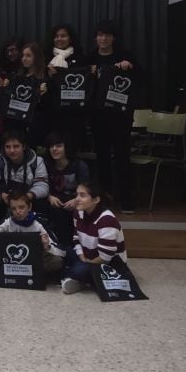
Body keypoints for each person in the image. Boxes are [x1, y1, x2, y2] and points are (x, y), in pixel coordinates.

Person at [85, 20, 139, 213]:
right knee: (102, 159)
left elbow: (140, 78)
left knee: (123, 157)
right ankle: (105, 197)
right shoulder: (90, 58)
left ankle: (126, 199)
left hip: (121, 118)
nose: (103, 38)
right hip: (98, 117)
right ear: (96, 38)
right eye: (100, 35)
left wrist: (129, 66)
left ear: (113, 37)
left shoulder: (125, 55)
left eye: (107, 35)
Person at [0, 187, 64, 282]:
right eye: (13, 208)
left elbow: (61, 251)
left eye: (21, 207)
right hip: (12, 259)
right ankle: (19, 275)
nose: (18, 211)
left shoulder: (39, 224)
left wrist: (47, 246)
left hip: (34, 260)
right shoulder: (7, 222)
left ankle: (7, 274)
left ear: (29, 207)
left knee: (56, 261)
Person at [61, 181, 127, 294]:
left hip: (107, 264)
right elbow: (76, 238)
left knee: (77, 270)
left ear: (96, 200)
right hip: (87, 257)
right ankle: (81, 278)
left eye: (82, 195)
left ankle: (77, 279)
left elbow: (105, 257)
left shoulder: (107, 219)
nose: (77, 199)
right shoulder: (78, 212)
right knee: (62, 251)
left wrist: (87, 263)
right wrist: (82, 258)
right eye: (77, 195)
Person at [0, 129, 49, 230]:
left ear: (24, 146)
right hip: (6, 203)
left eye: (16, 146)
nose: (12, 150)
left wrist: (27, 197)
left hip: (29, 202)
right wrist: (2, 194)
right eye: (8, 147)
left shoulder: (37, 162)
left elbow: (43, 186)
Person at [44, 131, 90, 247]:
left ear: (66, 148)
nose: (54, 149)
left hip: (75, 201)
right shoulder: (46, 165)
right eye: (51, 146)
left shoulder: (79, 166)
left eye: (58, 146)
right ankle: (61, 246)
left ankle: (74, 247)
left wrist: (76, 200)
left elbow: (87, 189)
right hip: (55, 202)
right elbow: (41, 185)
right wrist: (49, 196)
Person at [46, 24, 87, 150]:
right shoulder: (46, 57)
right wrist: (49, 76)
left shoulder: (81, 58)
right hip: (53, 112)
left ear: (70, 38)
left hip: (75, 114)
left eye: (63, 36)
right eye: (56, 36)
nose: (59, 39)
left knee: (73, 149)